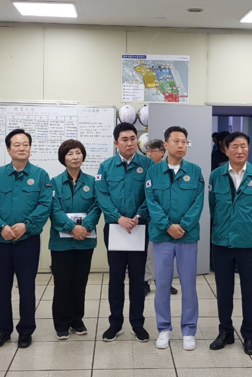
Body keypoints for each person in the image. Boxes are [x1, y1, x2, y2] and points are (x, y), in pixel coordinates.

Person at [0, 129, 52, 349]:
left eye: (25, 144)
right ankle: (3, 331)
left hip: (27, 242)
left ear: (30, 148)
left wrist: (27, 225)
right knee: (2, 288)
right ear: (8, 149)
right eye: (17, 144)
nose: (22, 148)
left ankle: (25, 330)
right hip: (1, 242)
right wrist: (0, 227)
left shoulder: (40, 175)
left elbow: (45, 205)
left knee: (27, 288)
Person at [146, 126, 205, 351]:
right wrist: (167, 226)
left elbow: (198, 202)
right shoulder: (154, 171)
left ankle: (189, 330)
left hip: (187, 237)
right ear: (166, 145)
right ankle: (164, 328)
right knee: (162, 284)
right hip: (162, 236)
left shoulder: (195, 171)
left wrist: (183, 226)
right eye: (176, 141)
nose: (181, 145)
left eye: (184, 142)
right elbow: (151, 201)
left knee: (189, 285)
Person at [208, 132, 252, 355]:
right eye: (235, 146)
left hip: (248, 243)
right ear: (226, 149)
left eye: (244, 146)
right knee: (224, 291)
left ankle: (249, 334)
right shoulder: (216, 175)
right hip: (221, 242)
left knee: (249, 290)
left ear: (248, 149)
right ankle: (226, 331)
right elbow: (213, 207)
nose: (239, 150)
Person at [95, 122, 152, 342]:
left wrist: (138, 216)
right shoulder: (106, 166)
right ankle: (115, 323)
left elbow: (151, 195)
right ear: (116, 143)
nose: (130, 143)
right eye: (124, 139)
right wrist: (118, 217)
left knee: (138, 280)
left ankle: (137, 323)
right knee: (116, 279)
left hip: (139, 228)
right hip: (114, 229)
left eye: (133, 138)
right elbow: (102, 195)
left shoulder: (148, 165)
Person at [49, 140, 102, 340]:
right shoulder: (54, 182)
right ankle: (61, 323)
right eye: (70, 153)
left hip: (85, 241)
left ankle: (77, 320)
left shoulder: (92, 182)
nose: (75, 157)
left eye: (78, 153)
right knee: (62, 282)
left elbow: (97, 206)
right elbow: (53, 209)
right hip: (61, 243)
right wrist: (72, 228)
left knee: (80, 282)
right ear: (63, 158)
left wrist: (85, 227)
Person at [142, 139, 178, 296]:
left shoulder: (169, 170)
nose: (149, 154)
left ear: (162, 152)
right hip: (146, 217)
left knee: (165, 254)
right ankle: (146, 281)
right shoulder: (144, 169)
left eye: (153, 151)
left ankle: (164, 282)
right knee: (148, 253)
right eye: (147, 151)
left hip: (165, 219)